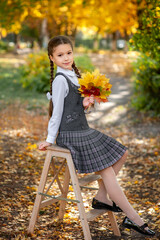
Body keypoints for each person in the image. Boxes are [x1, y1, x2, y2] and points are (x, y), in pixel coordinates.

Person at [38, 35, 155, 237]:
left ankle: (102, 197)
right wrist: (49, 139)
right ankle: (134, 219)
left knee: (122, 153)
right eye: (60, 55)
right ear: (52, 58)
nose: (66, 58)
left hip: (83, 131)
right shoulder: (60, 80)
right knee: (108, 171)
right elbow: (57, 113)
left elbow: (74, 109)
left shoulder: (74, 76)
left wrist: (85, 104)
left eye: (69, 53)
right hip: (71, 136)